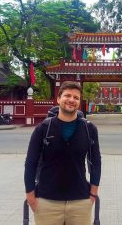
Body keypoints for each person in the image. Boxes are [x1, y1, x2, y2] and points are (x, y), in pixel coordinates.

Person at [24, 81, 101, 225]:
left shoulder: (89, 129)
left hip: (80, 200)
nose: (71, 100)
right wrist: (31, 196)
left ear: (79, 102)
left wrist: (93, 193)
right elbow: (30, 163)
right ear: (58, 99)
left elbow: (95, 161)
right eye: (67, 95)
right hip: (47, 201)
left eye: (76, 97)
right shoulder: (43, 129)